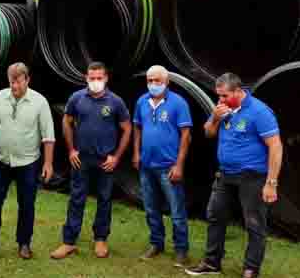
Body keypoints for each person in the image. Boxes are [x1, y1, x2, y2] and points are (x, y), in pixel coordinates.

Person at [186, 73, 283, 278]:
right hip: (225, 173)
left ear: (238, 91)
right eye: (218, 95)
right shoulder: (223, 108)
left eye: (224, 95)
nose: (220, 100)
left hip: (252, 176)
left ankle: (251, 270)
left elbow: (275, 147)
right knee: (215, 215)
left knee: (254, 223)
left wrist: (271, 183)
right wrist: (215, 117)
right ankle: (212, 263)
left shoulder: (259, 112)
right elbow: (208, 133)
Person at [51, 61, 131, 260]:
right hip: (81, 159)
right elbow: (66, 121)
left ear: (106, 78)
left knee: (105, 199)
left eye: (99, 78)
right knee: (76, 198)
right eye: (92, 78)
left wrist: (116, 156)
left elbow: (127, 128)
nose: (95, 81)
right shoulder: (77, 98)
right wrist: (71, 150)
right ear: (86, 78)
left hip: (105, 160)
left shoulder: (116, 102)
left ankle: (101, 239)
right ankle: (69, 242)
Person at [0, 63, 55, 260]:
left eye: (18, 82)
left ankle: (24, 244)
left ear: (27, 80)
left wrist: (48, 164)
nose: (14, 86)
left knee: (27, 204)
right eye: (11, 82)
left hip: (28, 163)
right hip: (1, 161)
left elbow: (48, 136)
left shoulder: (40, 102)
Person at [132, 65, 192, 266]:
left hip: (169, 166)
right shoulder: (142, 101)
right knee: (150, 208)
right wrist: (136, 152)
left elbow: (186, 136)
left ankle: (181, 249)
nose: (153, 84)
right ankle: (156, 244)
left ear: (167, 82)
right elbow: (137, 127)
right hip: (146, 165)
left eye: (157, 80)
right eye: (149, 80)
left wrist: (179, 165)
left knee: (177, 212)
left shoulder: (178, 103)